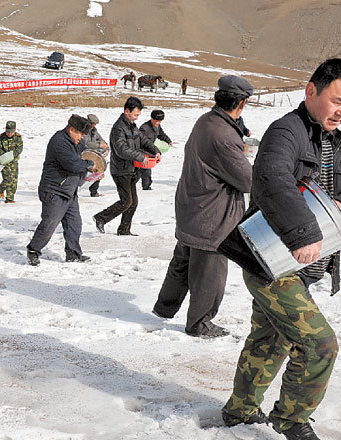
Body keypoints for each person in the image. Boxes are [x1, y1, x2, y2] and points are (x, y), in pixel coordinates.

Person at [220, 58, 341, 440]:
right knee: (319, 343)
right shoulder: (285, 133)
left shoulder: (339, 144)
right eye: (337, 100)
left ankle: (239, 411)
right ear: (311, 91)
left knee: (269, 339)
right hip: (270, 260)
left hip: (303, 266)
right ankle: (292, 418)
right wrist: (302, 232)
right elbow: (272, 181)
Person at [152, 76, 253, 338]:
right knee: (210, 272)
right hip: (212, 215)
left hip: (191, 206)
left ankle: (164, 308)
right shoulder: (224, 136)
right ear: (241, 103)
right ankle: (200, 323)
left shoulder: (207, 121)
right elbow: (247, 180)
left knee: (183, 261)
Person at [26, 114, 95, 266]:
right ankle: (33, 250)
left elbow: (83, 158)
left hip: (69, 191)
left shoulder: (76, 143)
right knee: (49, 224)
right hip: (54, 190)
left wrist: (93, 171)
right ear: (72, 129)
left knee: (74, 224)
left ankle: (73, 254)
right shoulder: (59, 142)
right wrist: (89, 164)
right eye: (81, 134)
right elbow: (73, 164)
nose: (82, 137)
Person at [93, 97, 160, 236]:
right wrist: (141, 156)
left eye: (138, 115)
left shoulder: (131, 126)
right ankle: (101, 217)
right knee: (126, 201)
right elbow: (121, 150)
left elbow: (143, 140)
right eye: (135, 114)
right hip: (120, 170)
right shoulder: (118, 129)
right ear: (127, 111)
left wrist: (155, 151)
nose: (136, 118)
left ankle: (124, 230)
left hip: (131, 169)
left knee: (133, 202)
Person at [137, 109, 172, 190]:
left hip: (150, 151)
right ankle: (146, 188)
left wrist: (168, 140)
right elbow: (143, 143)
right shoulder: (144, 128)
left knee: (142, 171)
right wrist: (156, 151)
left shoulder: (157, 126)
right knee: (144, 170)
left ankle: (144, 186)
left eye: (159, 121)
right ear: (151, 118)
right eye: (156, 121)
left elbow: (161, 134)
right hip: (142, 152)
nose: (157, 123)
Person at [0, 120, 23, 203]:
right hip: (4, 162)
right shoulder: (1, 138)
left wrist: (13, 154)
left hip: (13, 161)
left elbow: (20, 148)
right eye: (8, 132)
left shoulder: (18, 137)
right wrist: (4, 155)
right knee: (8, 179)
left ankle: (10, 199)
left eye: (11, 132)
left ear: (14, 130)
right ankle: (0, 189)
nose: (9, 134)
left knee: (14, 180)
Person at [83, 113, 109, 197]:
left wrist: (104, 144)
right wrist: (98, 145)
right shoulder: (83, 131)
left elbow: (100, 138)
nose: (94, 125)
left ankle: (94, 191)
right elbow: (86, 143)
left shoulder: (94, 130)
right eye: (93, 124)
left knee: (99, 170)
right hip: (85, 154)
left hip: (94, 154)